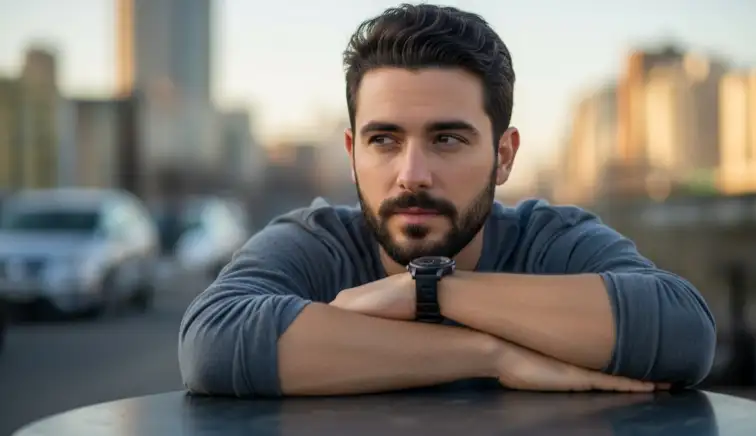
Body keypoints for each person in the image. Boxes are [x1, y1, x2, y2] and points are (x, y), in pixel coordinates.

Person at [178, 3, 716, 397]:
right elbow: (212, 342)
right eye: (383, 140)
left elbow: (683, 332)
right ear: (352, 153)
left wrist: (428, 291)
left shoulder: (549, 242)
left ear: (503, 156)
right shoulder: (318, 243)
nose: (412, 176)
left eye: (447, 139)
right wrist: (489, 355)